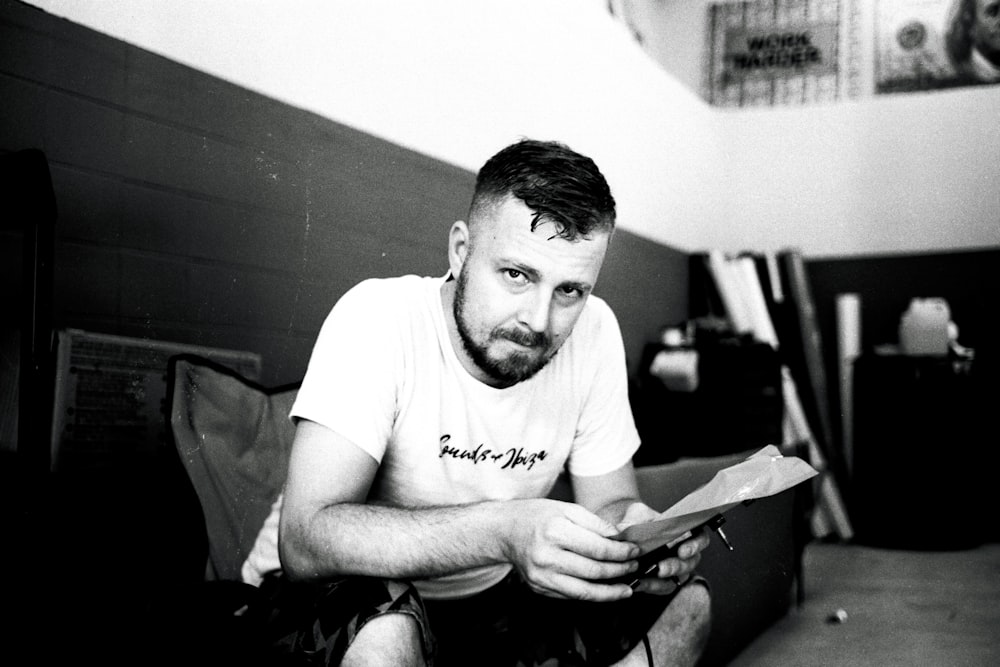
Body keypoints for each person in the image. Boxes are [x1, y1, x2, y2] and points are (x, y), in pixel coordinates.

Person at [240, 138, 712, 666]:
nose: (538, 319)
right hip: (326, 593)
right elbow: (306, 541)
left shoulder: (596, 331)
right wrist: (506, 531)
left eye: (570, 291)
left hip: (490, 598)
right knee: (385, 629)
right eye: (517, 275)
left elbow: (609, 501)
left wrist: (640, 535)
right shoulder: (378, 317)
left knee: (687, 607)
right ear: (461, 251)